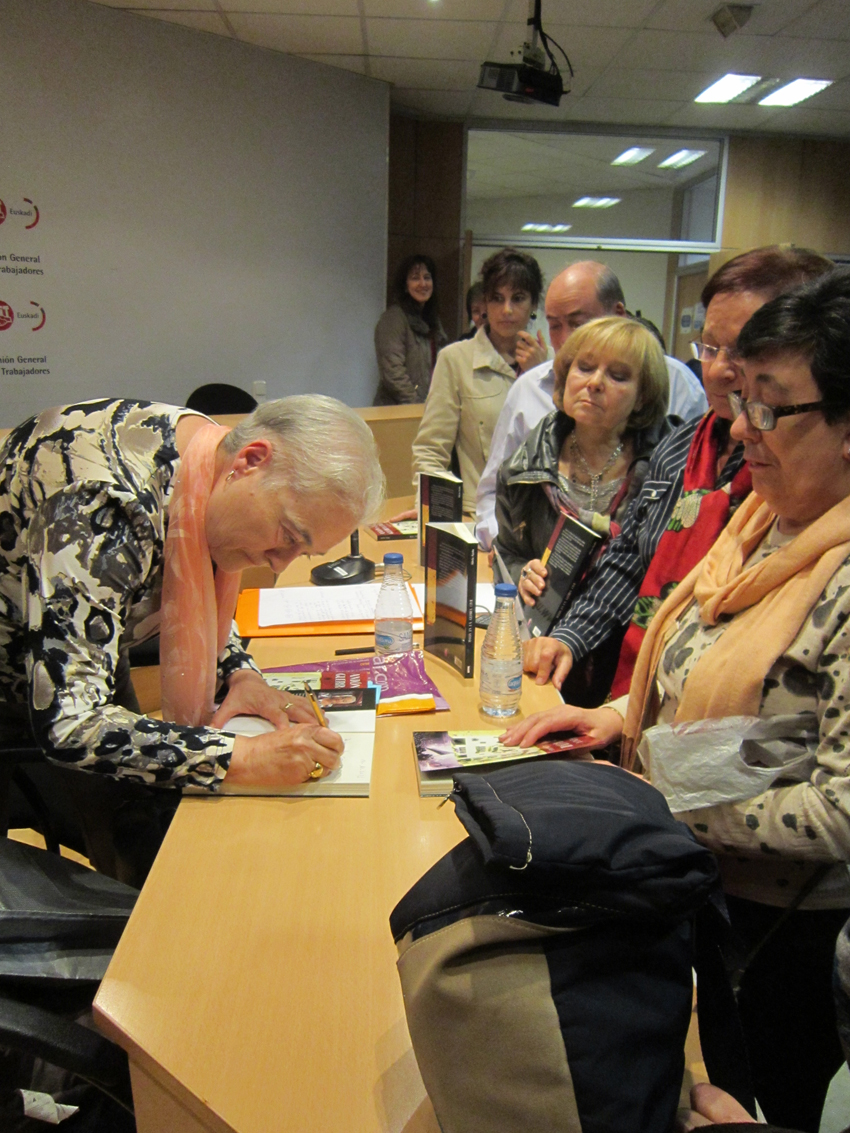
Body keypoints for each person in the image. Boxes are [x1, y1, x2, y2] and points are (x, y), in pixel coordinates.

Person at [503, 267, 850, 1132]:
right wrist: (619, 715)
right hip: (706, 887)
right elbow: (690, 660)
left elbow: (841, 809)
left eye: (772, 407)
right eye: (742, 396)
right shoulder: (761, 518)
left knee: (763, 1096)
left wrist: (663, 802)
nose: (742, 425)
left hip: (784, 931)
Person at [0, 395, 384, 883]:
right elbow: (71, 721)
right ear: (251, 461)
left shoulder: (206, 457)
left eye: (302, 552)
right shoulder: (104, 503)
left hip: (84, 646)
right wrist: (244, 756)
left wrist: (240, 673)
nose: (279, 562)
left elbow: (191, 586)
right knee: (141, 842)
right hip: (21, 675)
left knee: (145, 817)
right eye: (288, 535)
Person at [522, 246, 833, 694]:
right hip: (635, 693)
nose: (719, 370)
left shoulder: (795, 472)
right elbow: (630, 559)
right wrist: (569, 639)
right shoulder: (678, 446)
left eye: (741, 350)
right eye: (709, 347)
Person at [474, 260, 708, 549]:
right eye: (554, 325)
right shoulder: (528, 390)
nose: (565, 338)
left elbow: (694, 499)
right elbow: (494, 493)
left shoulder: (679, 384)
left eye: (577, 323)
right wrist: (509, 553)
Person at [493, 316, 669, 604]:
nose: (595, 382)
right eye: (584, 368)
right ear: (565, 378)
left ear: (642, 397)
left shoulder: (666, 470)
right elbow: (505, 555)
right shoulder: (521, 467)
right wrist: (521, 575)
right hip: (545, 623)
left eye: (618, 376)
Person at [411, 247, 544, 512]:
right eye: (497, 298)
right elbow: (431, 451)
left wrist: (538, 376)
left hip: (539, 517)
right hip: (478, 515)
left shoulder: (552, 363)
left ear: (533, 305)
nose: (507, 309)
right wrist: (432, 510)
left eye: (518, 298)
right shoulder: (456, 359)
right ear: (485, 303)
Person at [373, 253, 447, 405]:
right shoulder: (394, 318)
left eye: (427, 277)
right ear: (405, 286)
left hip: (426, 408)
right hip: (397, 410)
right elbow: (393, 372)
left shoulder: (433, 321)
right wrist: (417, 406)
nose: (423, 284)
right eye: (415, 278)